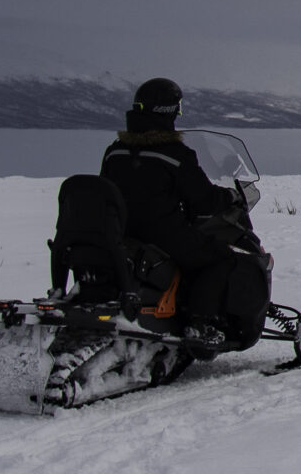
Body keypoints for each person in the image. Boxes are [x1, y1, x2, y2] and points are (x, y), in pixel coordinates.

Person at [100, 78, 243, 351]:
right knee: (221, 257)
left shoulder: (114, 151)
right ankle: (200, 324)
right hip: (162, 235)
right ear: (169, 112)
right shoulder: (175, 155)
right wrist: (230, 196)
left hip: (121, 235)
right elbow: (203, 201)